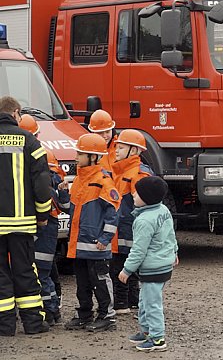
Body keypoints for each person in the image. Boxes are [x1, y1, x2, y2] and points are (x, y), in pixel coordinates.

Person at [0, 95, 53, 336]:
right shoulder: (29, 140)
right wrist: (43, 214)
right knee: (24, 270)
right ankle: (32, 324)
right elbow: (42, 183)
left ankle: (5, 326)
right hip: (22, 222)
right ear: (16, 113)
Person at [63, 133, 120, 333]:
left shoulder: (103, 181)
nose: (76, 157)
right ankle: (85, 314)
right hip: (79, 244)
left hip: (96, 244)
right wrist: (62, 192)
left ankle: (107, 316)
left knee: (101, 281)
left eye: (81, 153)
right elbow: (68, 207)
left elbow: (113, 214)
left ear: (93, 157)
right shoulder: (79, 180)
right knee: (83, 282)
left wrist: (105, 239)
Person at [119, 176, 178, 352]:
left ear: (147, 198)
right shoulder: (163, 210)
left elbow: (139, 250)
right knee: (145, 300)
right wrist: (174, 251)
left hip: (153, 268)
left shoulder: (144, 221)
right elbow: (171, 234)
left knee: (152, 304)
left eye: (137, 193)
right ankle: (146, 331)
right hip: (164, 264)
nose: (134, 194)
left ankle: (158, 338)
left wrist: (127, 270)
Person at [110, 129, 152, 315]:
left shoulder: (138, 174)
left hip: (129, 230)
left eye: (121, 147)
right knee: (125, 265)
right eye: (116, 146)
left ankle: (122, 303)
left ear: (134, 151)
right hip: (122, 230)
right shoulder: (121, 171)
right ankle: (131, 301)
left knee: (121, 267)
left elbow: (147, 207)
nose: (116, 150)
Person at [33, 149, 69, 326]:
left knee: (41, 274)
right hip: (49, 232)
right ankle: (52, 311)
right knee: (44, 274)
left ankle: (48, 311)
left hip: (44, 232)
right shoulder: (54, 182)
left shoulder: (44, 185)